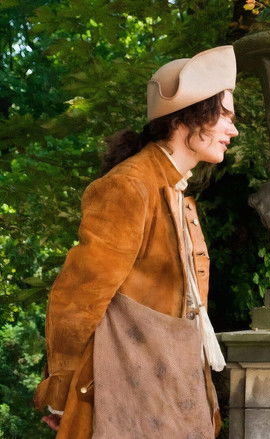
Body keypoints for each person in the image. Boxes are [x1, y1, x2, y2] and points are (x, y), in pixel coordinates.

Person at [33, 46, 239, 438]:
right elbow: (78, 299)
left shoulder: (173, 191)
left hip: (167, 388)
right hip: (126, 392)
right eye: (224, 116)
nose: (233, 130)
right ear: (188, 116)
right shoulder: (129, 186)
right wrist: (64, 391)